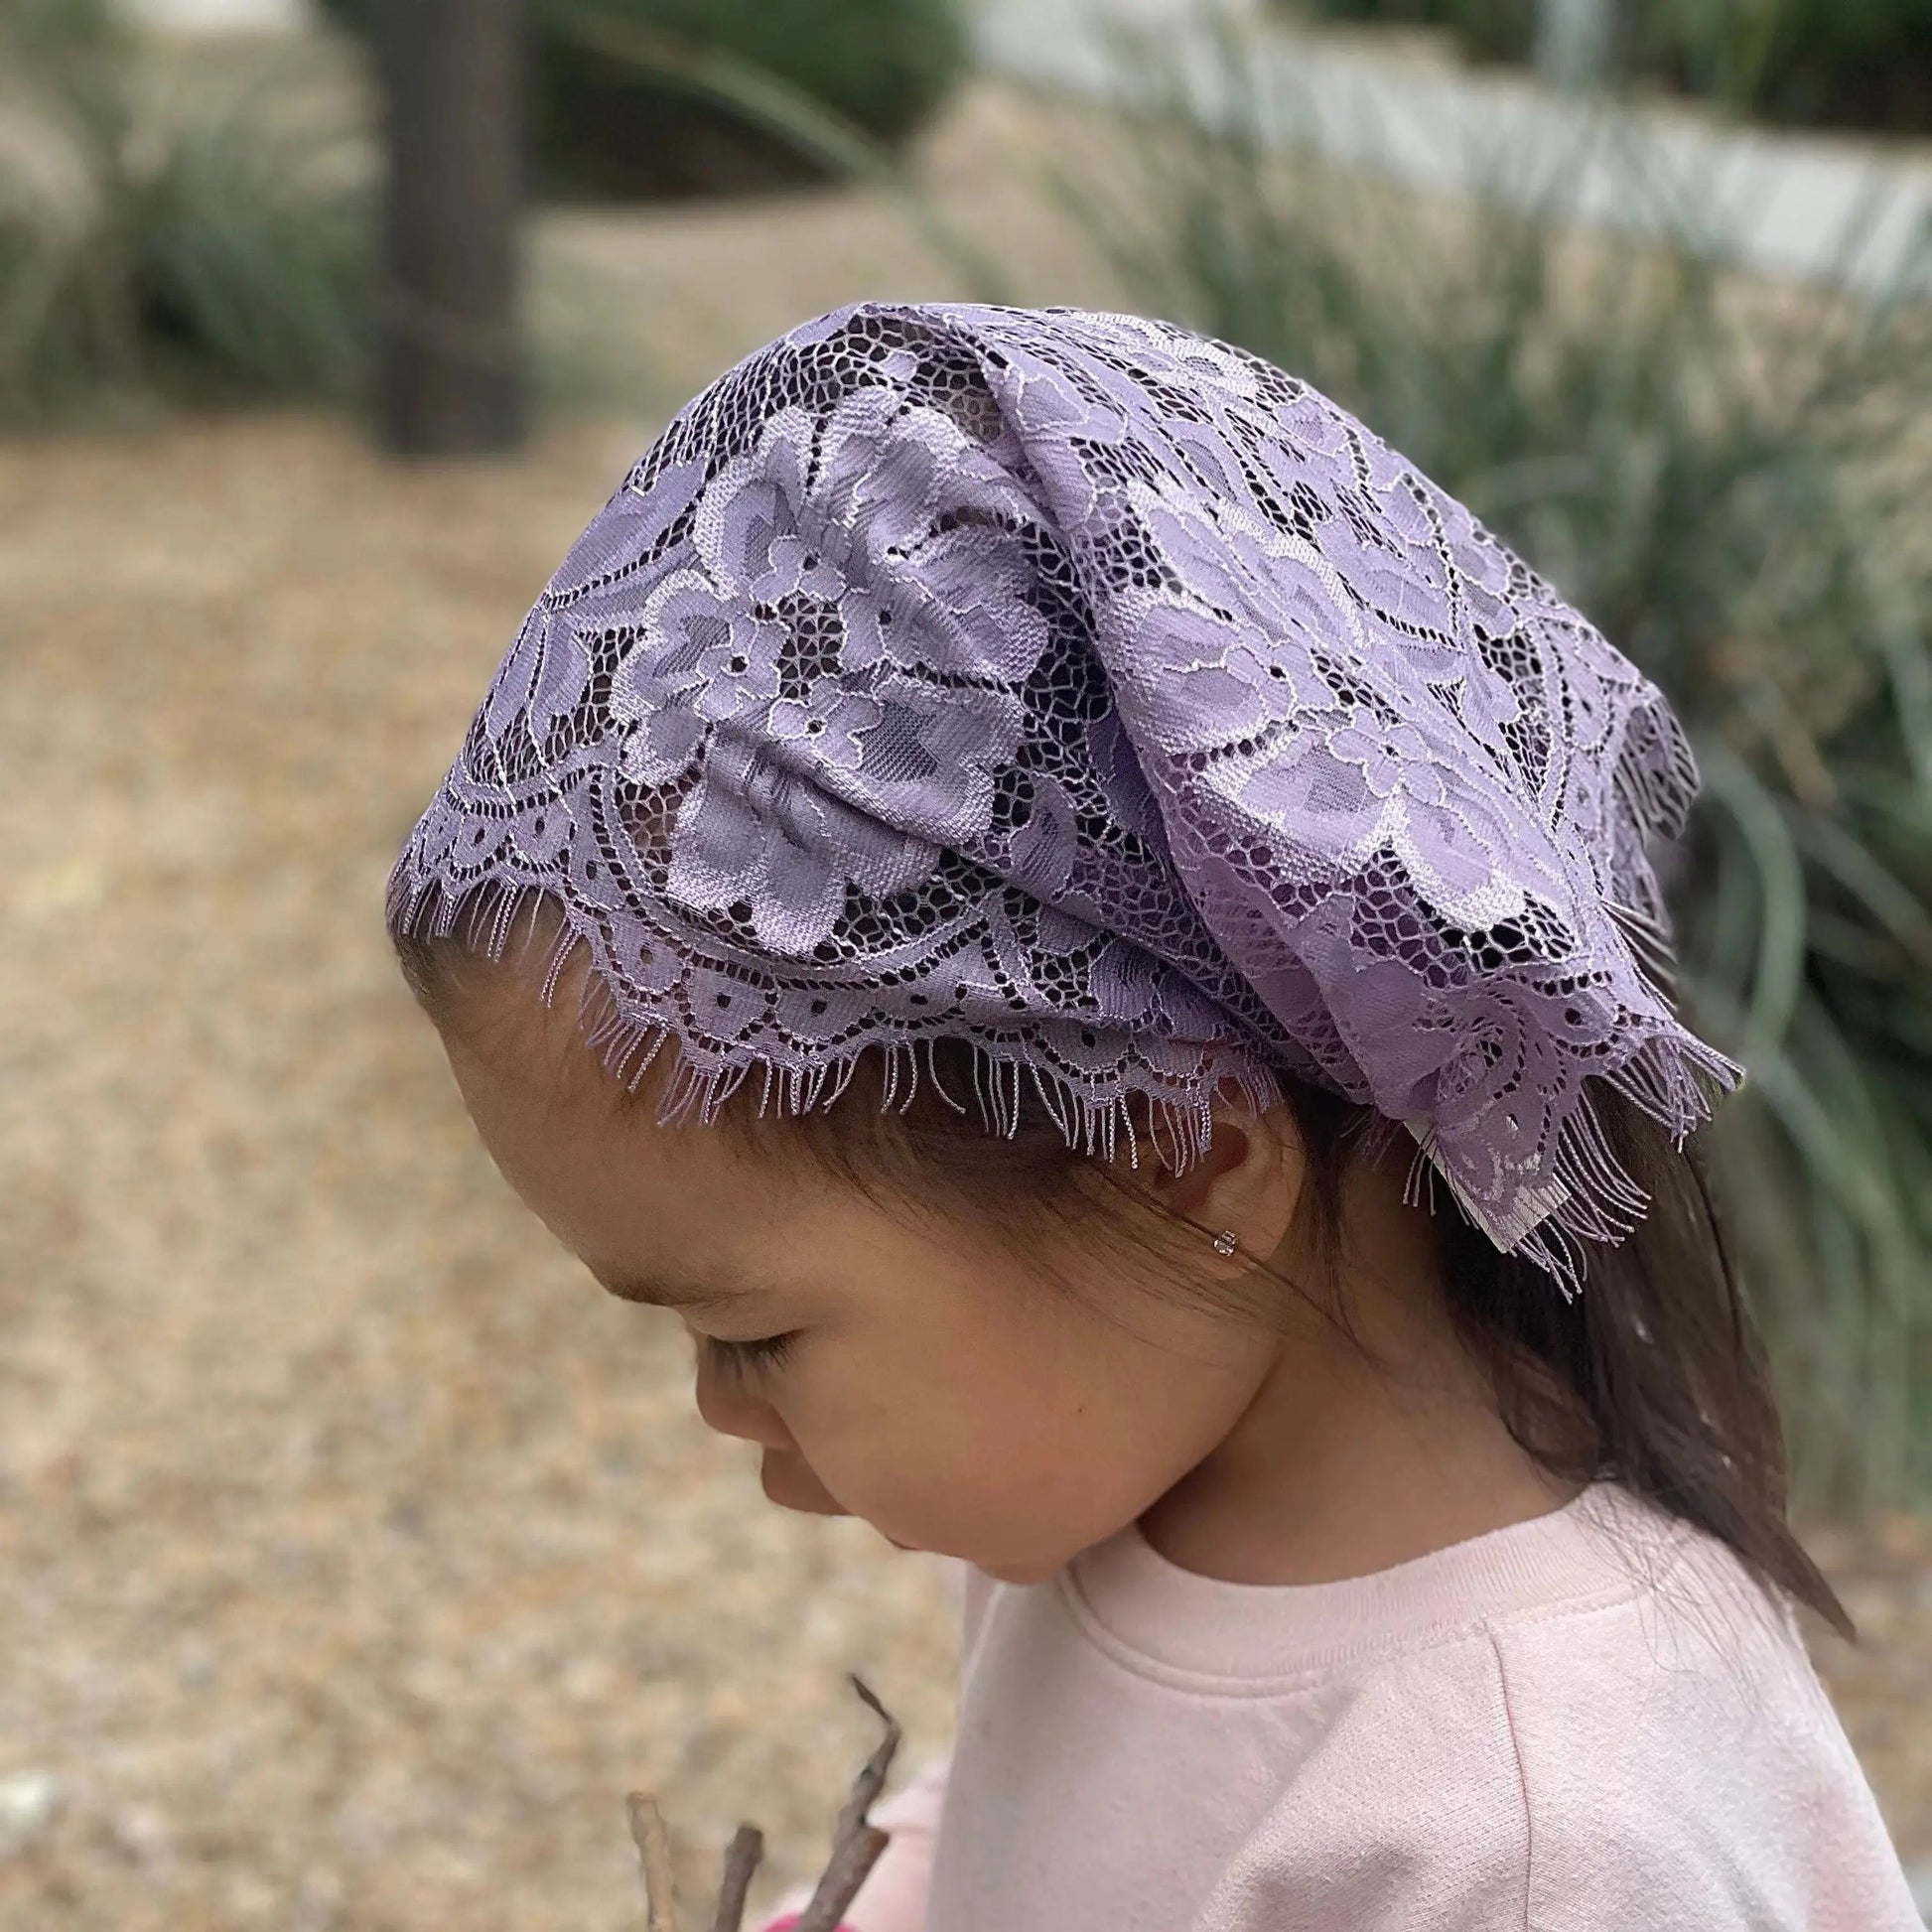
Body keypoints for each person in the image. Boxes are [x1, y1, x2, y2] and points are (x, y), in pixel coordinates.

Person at [384, 302, 1923, 1930]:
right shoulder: (1118, 1464)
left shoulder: (1547, 1842)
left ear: (1172, 1154)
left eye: (749, 1333)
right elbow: (1029, 1824)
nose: (717, 1412)